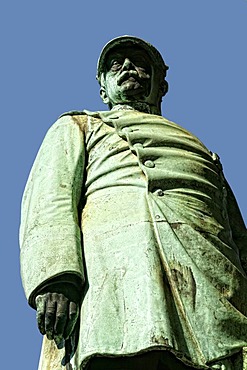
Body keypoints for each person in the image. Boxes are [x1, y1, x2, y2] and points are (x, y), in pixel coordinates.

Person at [20, 36, 247, 370]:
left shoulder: (205, 155)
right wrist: (57, 279)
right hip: (121, 277)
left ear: (161, 86)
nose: (127, 67)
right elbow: (49, 203)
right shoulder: (79, 126)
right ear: (104, 90)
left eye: (139, 62)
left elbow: (239, 240)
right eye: (116, 64)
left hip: (211, 289)